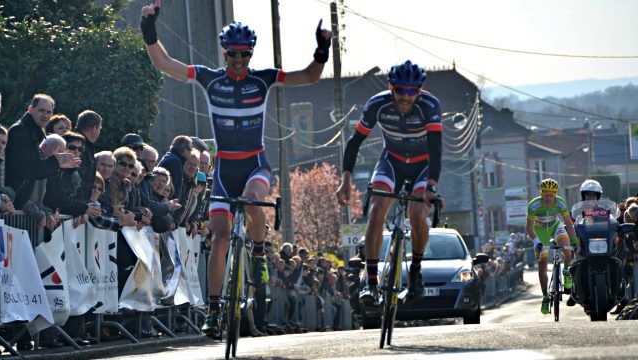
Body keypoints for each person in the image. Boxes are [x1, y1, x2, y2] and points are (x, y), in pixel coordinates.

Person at [139, 0, 332, 338]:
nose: (240, 61)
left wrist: (322, 47)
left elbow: (309, 76)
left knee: (254, 197)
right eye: (234, 54)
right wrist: (149, 27)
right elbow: (163, 62)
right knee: (219, 238)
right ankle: (213, 311)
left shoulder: (263, 80)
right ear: (224, 53)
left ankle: (258, 253)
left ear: (251, 55)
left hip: (255, 162)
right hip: (225, 167)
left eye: (245, 54)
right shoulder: (210, 79)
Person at [335, 60, 443, 303]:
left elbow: (436, 149)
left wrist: (432, 186)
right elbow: (354, 143)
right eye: (400, 90)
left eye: (411, 91)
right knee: (376, 211)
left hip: (422, 165)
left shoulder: (429, 106)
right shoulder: (377, 104)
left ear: (419, 90)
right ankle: (370, 282)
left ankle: (415, 271)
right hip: (391, 162)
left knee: (417, 213)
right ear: (391, 87)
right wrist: (345, 179)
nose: (405, 97)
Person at [5, 94, 80, 209]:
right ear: (30, 109)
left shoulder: (35, 133)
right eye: (41, 110)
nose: (45, 115)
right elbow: (27, 170)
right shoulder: (20, 131)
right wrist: (56, 162)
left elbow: (35, 171)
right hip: (10, 204)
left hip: (18, 205)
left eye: (49, 112)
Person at [526, 178, 577, 314]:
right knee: (542, 265)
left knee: (567, 250)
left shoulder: (560, 203)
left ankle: (566, 271)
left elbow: (569, 224)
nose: (548, 198)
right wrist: (537, 242)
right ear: (541, 194)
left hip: (555, 227)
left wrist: (574, 241)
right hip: (539, 231)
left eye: (551, 195)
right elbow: (529, 228)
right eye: (545, 195)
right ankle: (545, 298)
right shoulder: (534, 205)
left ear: (555, 194)